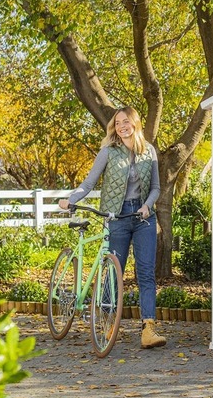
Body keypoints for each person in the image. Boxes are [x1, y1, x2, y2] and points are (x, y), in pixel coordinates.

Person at [59, 106, 166, 349]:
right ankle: (106, 324)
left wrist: (148, 206)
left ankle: (148, 329)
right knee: (113, 273)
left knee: (146, 273)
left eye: (126, 121)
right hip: (116, 217)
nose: (121, 126)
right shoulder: (108, 151)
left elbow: (156, 188)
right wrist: (71, 199)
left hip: (143, 218)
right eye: (117, 123)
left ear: (135, 123)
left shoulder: (149, 151)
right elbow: (88, 183)